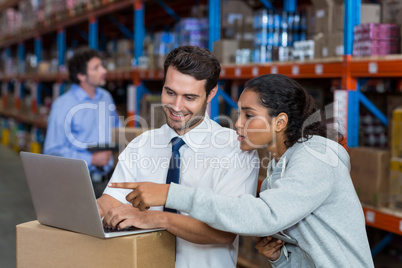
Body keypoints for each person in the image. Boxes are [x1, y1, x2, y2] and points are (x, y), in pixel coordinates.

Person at [110, 74, 375, 267]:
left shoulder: (316, 157)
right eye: (239, 113)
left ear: (280, 121)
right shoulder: (277, 168)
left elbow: (265, 215)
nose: (237, 124)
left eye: (249, 115)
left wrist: (170, 195)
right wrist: (282, 259)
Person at [98, 46, 259, 267]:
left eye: (189, 97)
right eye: (170, 92)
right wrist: (92, 209)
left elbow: (225, 232)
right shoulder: (141, 145)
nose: (176, 106)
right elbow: (112, 200)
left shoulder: (235, 150)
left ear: (211, 94)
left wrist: (156, 218)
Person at [44, 48, 120, 197]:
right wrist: (90, 159)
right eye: (96, 68)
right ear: (81, 75)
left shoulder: (106, 97)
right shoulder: (63, 105)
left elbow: (116, 128)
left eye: (102, 66)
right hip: (76, 183)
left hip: (107, 182)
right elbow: (52, 151)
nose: (104, 70)